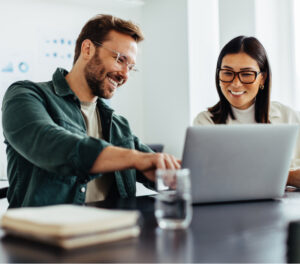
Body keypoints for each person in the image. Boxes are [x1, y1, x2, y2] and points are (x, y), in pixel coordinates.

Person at [2, 14, 180, 208]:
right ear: (87, 49)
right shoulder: (26, 95)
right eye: (120, 59)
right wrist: (135, 158)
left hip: (114, 231)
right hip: (45, 234)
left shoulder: (118, 124)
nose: (125, 75)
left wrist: (172, 171)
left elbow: (153, 165)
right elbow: (51, 143)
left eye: (131, 67)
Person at [193, 35, 300, 187]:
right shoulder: (205, 123)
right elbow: (207, 178)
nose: (236, 83)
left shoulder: (289, 118)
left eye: (246, 74)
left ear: (262, 78)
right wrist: (286, 177)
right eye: (228, 73)